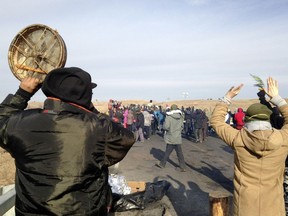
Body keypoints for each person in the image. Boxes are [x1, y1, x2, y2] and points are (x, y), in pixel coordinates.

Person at [0, 67, 135, 215]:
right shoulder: (96, 128)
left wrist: (22, 94)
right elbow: (126, 138)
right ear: (82, 95)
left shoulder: (19, 123)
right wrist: (90, 109)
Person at [210, 77, 288, 216]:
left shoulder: (238, 138)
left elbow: (216, 121)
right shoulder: (283, 139)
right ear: (268, 118)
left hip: (245, 207)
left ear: (248, 118)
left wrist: (227, 98)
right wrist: (277, 98)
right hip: (274, 207)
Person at [155, 104, 186, 172]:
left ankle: (162, 164)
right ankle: (182, 166)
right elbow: (182, 126)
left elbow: (166, 127)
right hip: (177, 137)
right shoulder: (180, 117)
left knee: (168, 151)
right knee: (179, 152)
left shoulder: (169, 117)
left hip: (171, 136)